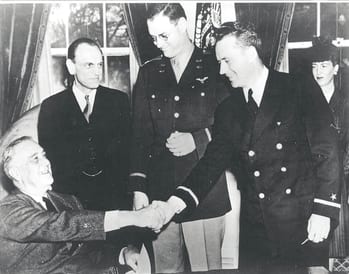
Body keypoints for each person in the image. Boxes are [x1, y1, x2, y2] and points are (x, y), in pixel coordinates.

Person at [151, 21, 341, 271]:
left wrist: (323, 212)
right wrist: (172, 205)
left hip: (302, 224)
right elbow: (209, 165)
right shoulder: (228, 111)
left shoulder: (298, 88)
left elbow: (327, 151)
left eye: (227, 60)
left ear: (251, 53)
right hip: (256, 231)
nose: (221, 70)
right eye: (219, 62)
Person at [129, 3, 231, 273]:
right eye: (153, 38)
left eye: (164, 36)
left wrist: (198, 139)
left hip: (205, 193)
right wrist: (139, 188)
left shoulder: (217, 65)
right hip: (159, 195)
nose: (158, 44)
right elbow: (140, 136)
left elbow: (235, 126)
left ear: (183, 25)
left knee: (206, 269)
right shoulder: (149, 73)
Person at [0, 136, 163, 274]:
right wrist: (133, 217)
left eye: (44, 155)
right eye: (35, 159)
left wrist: (122, 254)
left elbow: (90, 252)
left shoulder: (67, 201)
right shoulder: (7, 212)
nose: (46, 162)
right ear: (15, 173)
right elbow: (60, 225)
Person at [38, 37, 131, 212]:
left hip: (114, 199)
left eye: (100, 64)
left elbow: (126, 155)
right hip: (71, 203)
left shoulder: (118, 101)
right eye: (89, 65)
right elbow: (52, 161)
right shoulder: (52, 107)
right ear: (71, 66)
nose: (97, 72)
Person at [308, 36, 349, 260]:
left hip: (340, 185)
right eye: (314, 66)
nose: (318, 71)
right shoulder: (302, 102)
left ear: (335, 69)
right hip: (308, 185)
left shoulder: (345, 103)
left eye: (324, 65)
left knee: (337, 251)